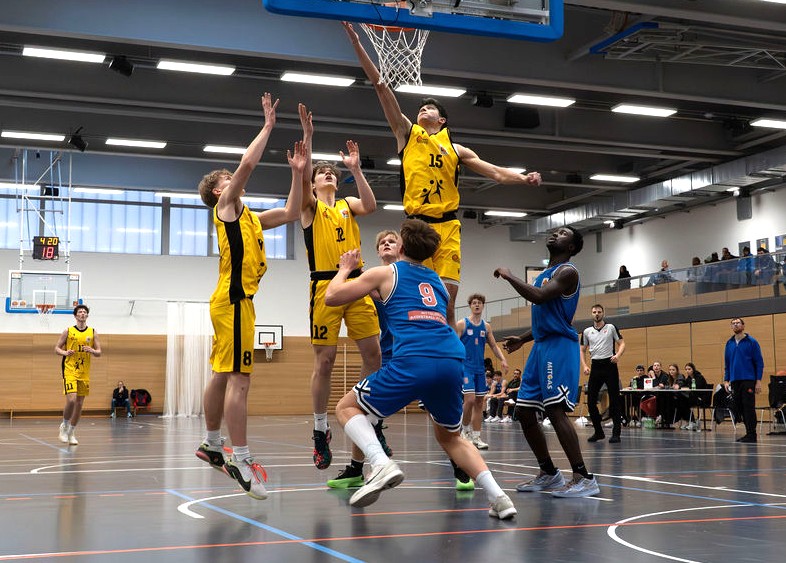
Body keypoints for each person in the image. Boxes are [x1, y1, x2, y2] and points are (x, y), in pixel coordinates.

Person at [343, 22, 542, 328]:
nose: (423, 110)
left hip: (447, 227)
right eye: (420, 109)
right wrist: (358, 44)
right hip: (415, 225)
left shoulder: (456, 149)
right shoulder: (407, 134)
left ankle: (448, 355)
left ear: (442, 120)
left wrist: (522, 178)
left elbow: (495, 173)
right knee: (415, 300)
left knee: (446, 304)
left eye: (429, 108)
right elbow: (381, 86)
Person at [324, 218, 516, 519]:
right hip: (452, 359)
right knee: (451, 438)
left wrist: (344, 269)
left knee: (346, 408)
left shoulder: (385, 273)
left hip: (413, 358)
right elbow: (444, 318)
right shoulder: (438, 282)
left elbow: (332, 297)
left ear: (401, 246)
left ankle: (380, 463)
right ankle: (500, 498)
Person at [193, 93, 306, 500]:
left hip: (232, 301)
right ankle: (240, 458)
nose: (235, 180)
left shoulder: (252, 218)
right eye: (228, 179)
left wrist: (298, 173)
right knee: (240, 381)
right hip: (235, 299)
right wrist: (268, 126)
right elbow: (248, 164)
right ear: (218, 191)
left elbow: (292, 212)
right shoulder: (225, 206)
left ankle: (211, 442)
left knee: (222, 374)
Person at [299, 105, 382, 472]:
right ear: (314, 184)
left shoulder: (348, 204)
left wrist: (356, 169)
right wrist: (309, 137)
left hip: (357, 282)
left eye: (332, 171)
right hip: (325, 285)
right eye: (322, 173)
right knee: (326, 361)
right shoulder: (310, 207)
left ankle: (368, 415)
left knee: (374, 355)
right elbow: (302, 177)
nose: (328, 174)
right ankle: (320, 429)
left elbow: (371, 205)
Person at [494, 226, 600, 498]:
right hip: (540, 345)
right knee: (524, 412)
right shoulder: (544, 274)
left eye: (563, 233)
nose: (555, 234)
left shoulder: (568, 272)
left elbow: (539, 297)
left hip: (559, 347)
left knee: (554, 410)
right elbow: (548, 315)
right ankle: (549, 473)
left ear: (571, 247)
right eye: (556, 232)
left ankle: (583, 477)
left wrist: (509, 275)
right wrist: (524, 339)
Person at [326, 230, 398, 489]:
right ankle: (356, 469)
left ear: (402, 248)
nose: (387, 244)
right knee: (359, 410)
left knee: (439, 412)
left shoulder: (408, 275)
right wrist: (346, 270)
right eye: (382, 242)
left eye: (392, 241)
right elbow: (335, 296)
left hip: (412, 354)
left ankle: (461, 468)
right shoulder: (371, 278)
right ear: (377, 251)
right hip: (385, 354)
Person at [457, 294, 508, 449]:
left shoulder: (486, 327)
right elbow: (453, 344)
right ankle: (465, 431)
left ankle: (476, 436)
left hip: (480, 370)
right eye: (474, 303)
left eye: (479, 303)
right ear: (470, 306)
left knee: (480, 403)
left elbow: (494, 345)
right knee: (469, 400)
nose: (477, 305)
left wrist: (503, 359)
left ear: (483, 305)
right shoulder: (462, 324)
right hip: (466, 368)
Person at [55, 304, 102, 446]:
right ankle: (64, 426)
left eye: (84, 312)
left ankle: (71, 432)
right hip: (69, 369)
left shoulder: (92, 332)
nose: (82, 313)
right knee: (71, 400)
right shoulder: (68, 331)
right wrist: (65, 352)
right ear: (76, 316)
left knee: (80, 404)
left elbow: (99, 352)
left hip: (84, 371)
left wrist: (92, 350)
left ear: (87, 315)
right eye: (80, 312)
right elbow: (57, 348)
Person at [580, 304, 625, 444]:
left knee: (614, 400)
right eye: (594, 312)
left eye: (599, 312)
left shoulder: (611, 327)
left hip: (610, 365)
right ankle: (598, 432)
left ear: (603, 313)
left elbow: (622, 343)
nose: (597, 314)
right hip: (596, 367)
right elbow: (582, 350)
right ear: (591, 314)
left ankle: (616, 433)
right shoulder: (587, 331)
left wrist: (617, 355)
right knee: (591, 401)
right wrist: (585, 365)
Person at [723, 317, 764, 443]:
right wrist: (726, 380)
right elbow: (727, 363)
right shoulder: (729, 343)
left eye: (738, 323)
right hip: (735, 380)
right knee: (738, 407)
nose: (735, 325)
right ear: (731, 327)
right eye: (733, 323)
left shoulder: (752, 342)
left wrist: (758, 380)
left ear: (743, 326)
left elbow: (759, 362)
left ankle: (751, 434)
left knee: (748, 407)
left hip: (748, 379)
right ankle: (748, 432)